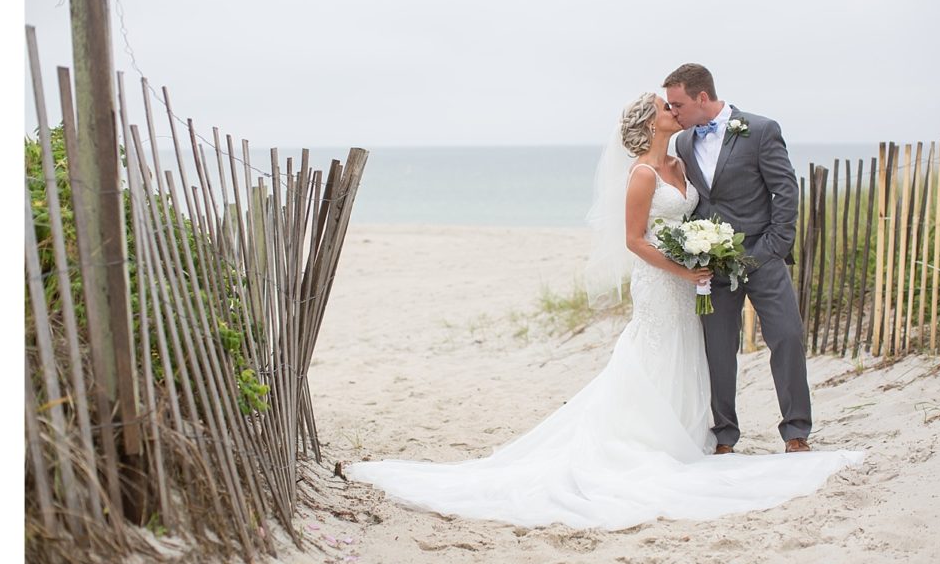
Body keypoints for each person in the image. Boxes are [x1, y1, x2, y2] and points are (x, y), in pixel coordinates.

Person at [344, 93, 861, 530]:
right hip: (664, 281)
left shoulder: (680, 159)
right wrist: (684, 270)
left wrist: (707, 251)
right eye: (665, 107)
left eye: (674, 102)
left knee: (696, 354)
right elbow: (634, 240)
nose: (674, 112)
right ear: (649, 121)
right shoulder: (641, 174)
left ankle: (711, 436)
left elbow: (711, 205)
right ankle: (667, 441)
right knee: (657, 353)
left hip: (698, 278)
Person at [664, 63, 812, 455]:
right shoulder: (681, 144)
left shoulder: (761, 130)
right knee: (717, 349)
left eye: (677, 104)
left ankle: (796, 430)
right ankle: (724, 435)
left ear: (701, 97)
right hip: (713, 265)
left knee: (787, 337)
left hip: (763, 256)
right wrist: (692, 249)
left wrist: (774, 246)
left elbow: (785, 190)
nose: (673, 112)